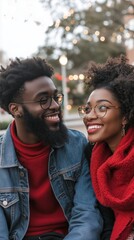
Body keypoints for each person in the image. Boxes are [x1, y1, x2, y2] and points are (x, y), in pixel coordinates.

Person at [0, 57, 103, 240]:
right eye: (43, 100)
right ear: (16, 109)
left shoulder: (77, 145)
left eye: (56, 97)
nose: (55, 106)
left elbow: (87, 216)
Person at [78, 55, 134, 240]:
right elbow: (106, 222)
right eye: (87, 109)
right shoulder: (93, 155)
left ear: (125, 115)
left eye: (102, 108)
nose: (89, 116)